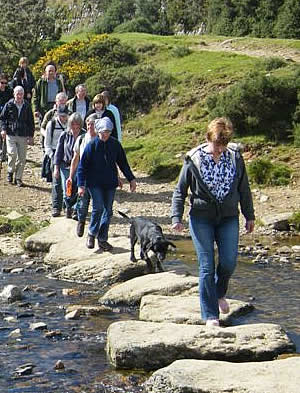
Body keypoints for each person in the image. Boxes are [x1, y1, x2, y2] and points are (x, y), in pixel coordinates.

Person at [171, 117, 255, 327]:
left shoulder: (235, 157)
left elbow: (243, 189)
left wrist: (249, 215)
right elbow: (180, 191)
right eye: (217, 145)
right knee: (207, 266)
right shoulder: (194, 159)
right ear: (208, 138)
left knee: (228, 262)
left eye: (223, 145)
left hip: (228, 217)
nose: (219, 150)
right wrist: (176, 217)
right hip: (201, 218)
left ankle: (219, 293)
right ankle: (210, 315)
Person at [77, 117, 136, 251]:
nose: (104, 134)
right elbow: (82, 166)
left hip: (110, 183)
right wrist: (81, 185)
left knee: (108, 211)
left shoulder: (115, 145)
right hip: (94, 183)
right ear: (98, 131)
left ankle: (102, 239)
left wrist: (131, 179)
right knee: (98, 207)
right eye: (102, 131)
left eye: (107, 132)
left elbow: (123, 163)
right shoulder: (91, 145)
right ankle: (91, 234)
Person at [66, 113, 98, 237]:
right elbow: (75, 158)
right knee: (82, 202)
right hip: (83, 176)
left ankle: (94, 230)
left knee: (97, 204)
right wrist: (70, 176)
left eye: (93, 124)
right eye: (88, 124)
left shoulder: (101, 139)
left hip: (97, 177)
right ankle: (81, 221)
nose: (90, 127)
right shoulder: (81, 139)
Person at [0, 86, 35, 187]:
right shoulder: (9, 104)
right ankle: (10, 171)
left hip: (23, 134)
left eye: (21, 94)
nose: (19, 96)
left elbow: (31, 122)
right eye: (17, 94)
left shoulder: (27, 106)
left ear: (23, 95)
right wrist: (3, 129)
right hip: (11, 133)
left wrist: (31, 135)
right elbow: (2, 118)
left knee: (22, 158)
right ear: (14, 94)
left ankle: (18, 178)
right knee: (12, 154)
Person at [53, 112, 85, 218]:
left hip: (80, 166)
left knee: (78, 188)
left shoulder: (84, 135)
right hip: (65, 166)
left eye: (77, 125)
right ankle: (68, 207)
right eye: (73, 125)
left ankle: (76, 209)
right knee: (68, 187)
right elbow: (58, 153)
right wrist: (56, 168)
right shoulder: (64, 135)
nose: (75, 127)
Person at [44, 106, 69, 217]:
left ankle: (67, 205)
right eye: (61, 116)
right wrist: (52, 156)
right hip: (55, 154)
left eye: (65, 116)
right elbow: (47, 144)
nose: (63, 118)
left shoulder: (71, 124)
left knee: (68, 181)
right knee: (57, 182)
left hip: (68, 154)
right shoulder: (51, 124)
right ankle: (56, 207)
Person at [0, 73, 13, 165]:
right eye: (2, 82)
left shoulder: (9, 91)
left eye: (5, 83)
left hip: (5, 115)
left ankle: (4, 153)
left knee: (4, 134)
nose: (4, 85)